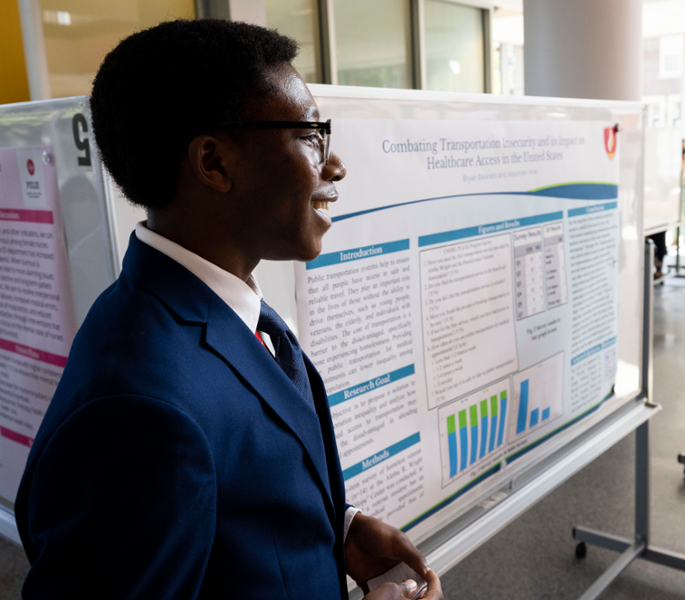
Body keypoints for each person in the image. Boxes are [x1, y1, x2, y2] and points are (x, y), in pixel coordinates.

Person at [14, 19, 442, 600]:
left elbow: (230, 498)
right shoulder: (142, 411)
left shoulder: (216, 308)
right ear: (214, 164)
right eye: (310, 135)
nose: (334, 164)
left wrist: (332, 530)